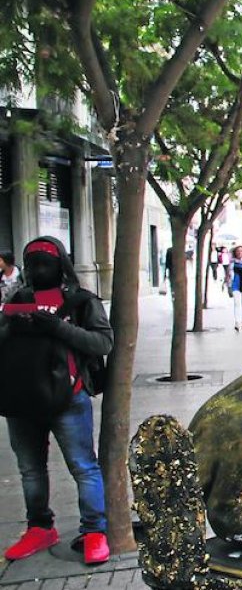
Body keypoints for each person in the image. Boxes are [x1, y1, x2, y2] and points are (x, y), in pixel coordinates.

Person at [0, 236, 113, 565]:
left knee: (83, 467)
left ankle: (95, 530)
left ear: (60, 264)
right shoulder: (16, 298)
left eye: (45, 262)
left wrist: (58, 328)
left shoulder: (81, 302)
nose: (38, 269)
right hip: (21, 400)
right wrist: (13, 323)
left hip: (69, 399)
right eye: (31, 262)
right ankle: (39, 526)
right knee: (30, 470)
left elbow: (103, 342)